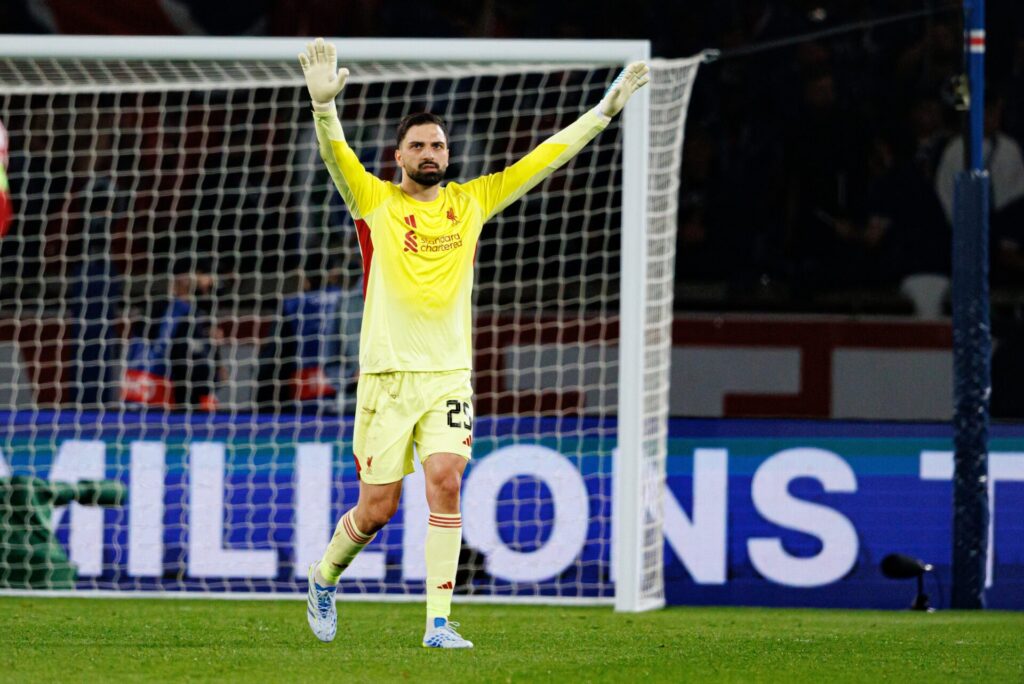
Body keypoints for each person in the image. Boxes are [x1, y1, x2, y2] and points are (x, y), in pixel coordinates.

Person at [298, 38, 648, 649]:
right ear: (399, 156)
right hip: (385, 378)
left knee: (447, 480)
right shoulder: (374, 201)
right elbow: (337, 159)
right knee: (377, 509)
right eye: (418, 145)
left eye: (438, 144)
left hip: (448, 377)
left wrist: (605, 111)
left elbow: (542, 160)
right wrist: (324, 109)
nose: (430, 152)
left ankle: (438, 623)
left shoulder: (472, 201)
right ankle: (324, 576)